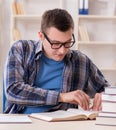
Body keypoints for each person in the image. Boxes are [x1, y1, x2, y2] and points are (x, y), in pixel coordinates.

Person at [4, 8, 110, 114]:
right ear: (41, 36)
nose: (62, 50)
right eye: (55, 43)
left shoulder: (81, 62)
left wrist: (103, 96)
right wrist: (61, 97)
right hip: (22, 122)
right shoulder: (21, 49)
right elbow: (13, 90)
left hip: (62, 125)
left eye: (67, 42)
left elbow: (107, 90)